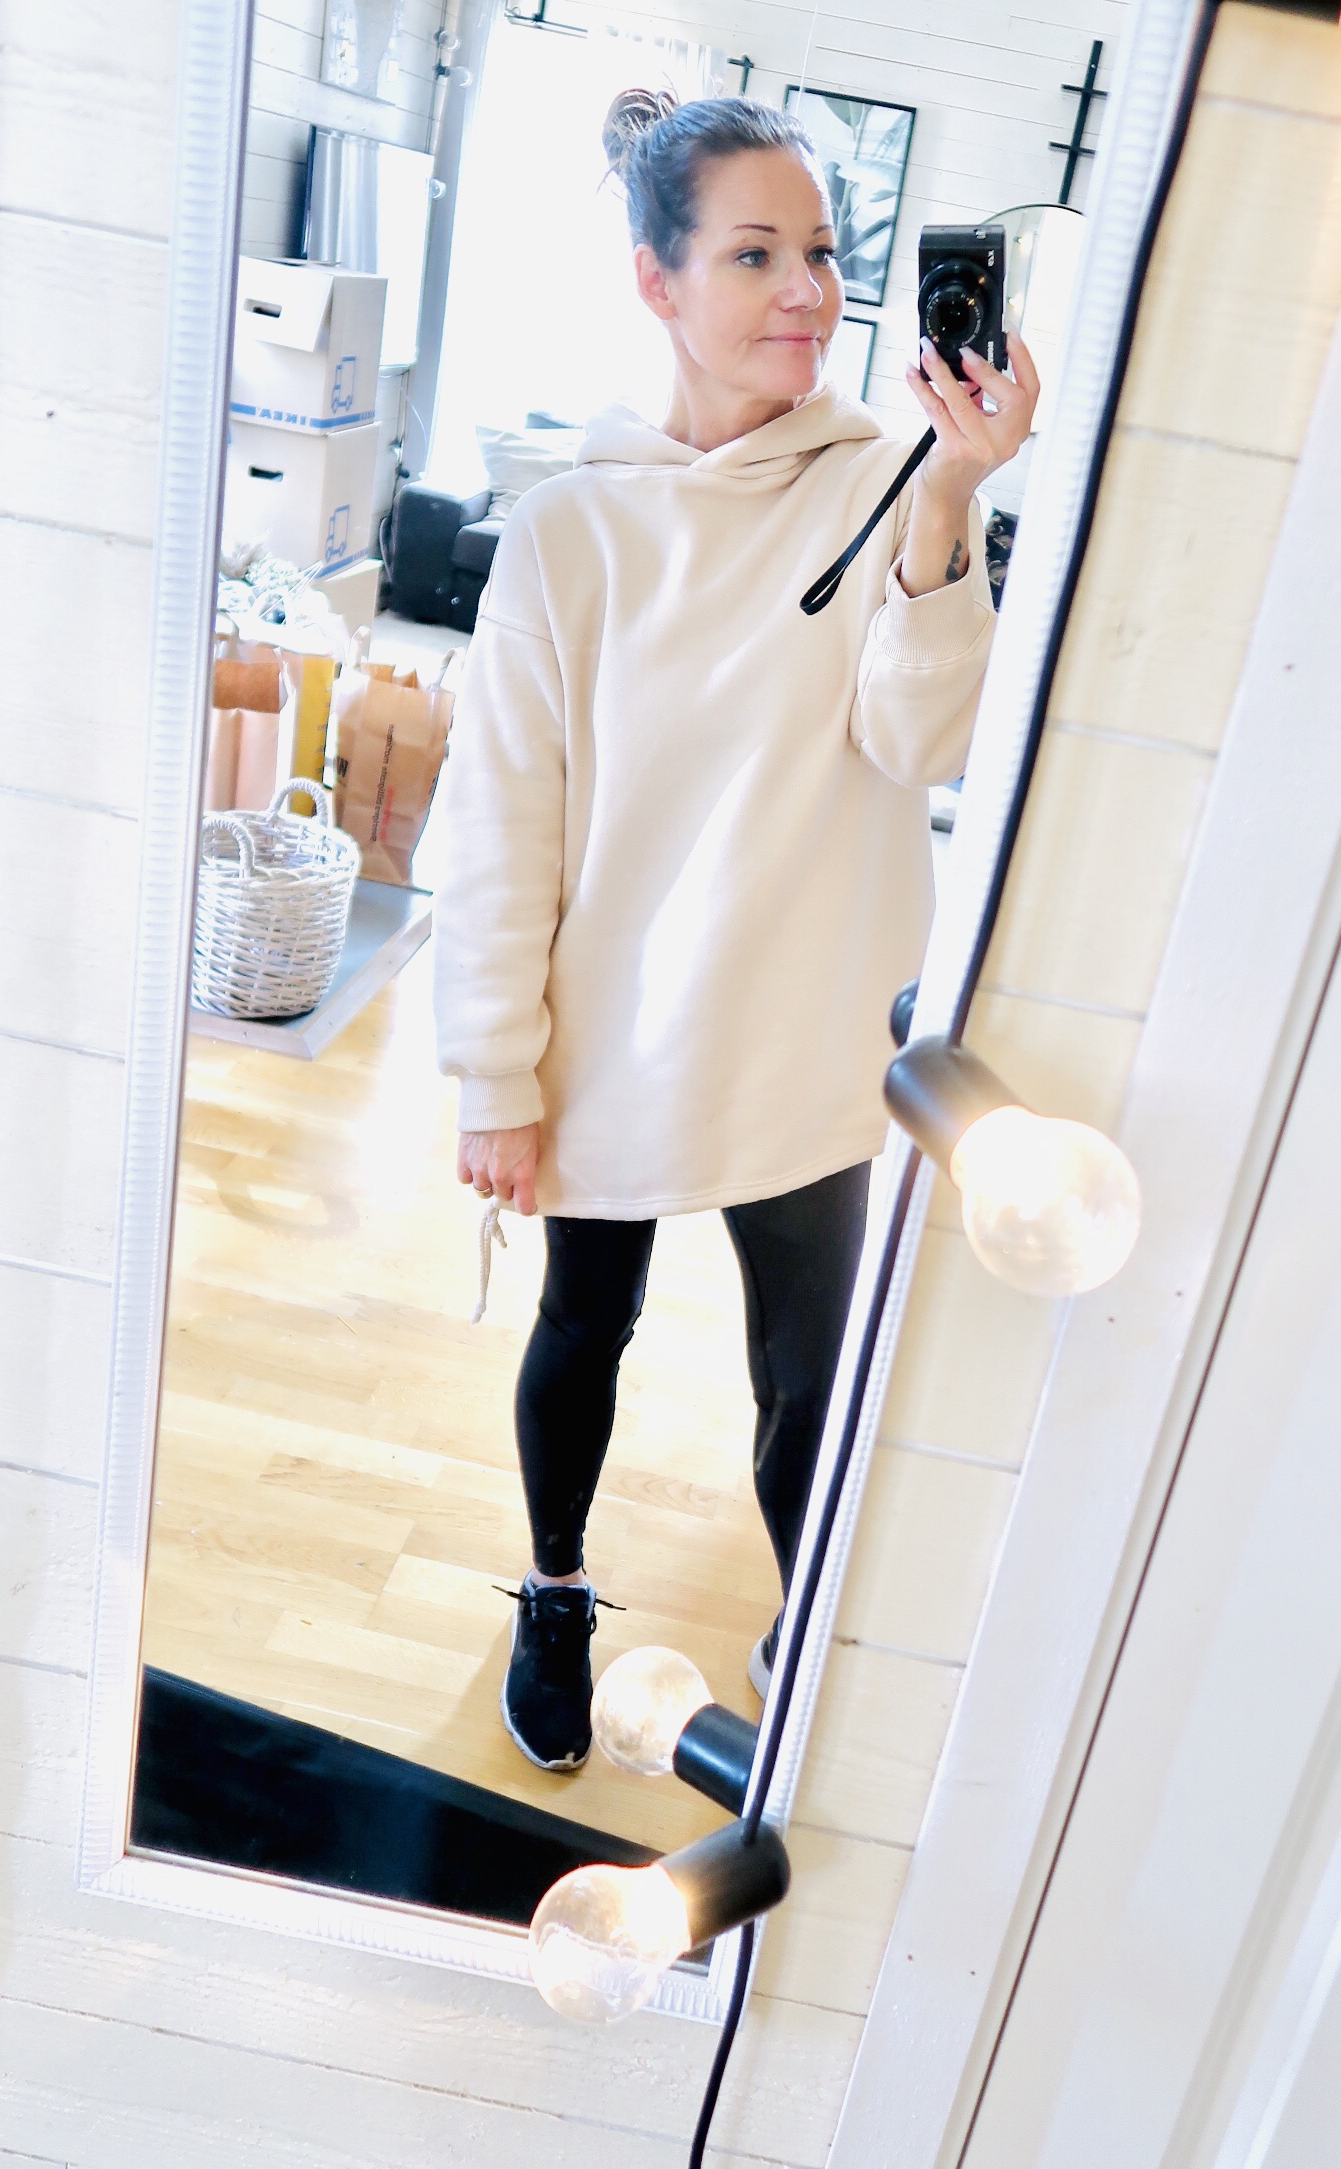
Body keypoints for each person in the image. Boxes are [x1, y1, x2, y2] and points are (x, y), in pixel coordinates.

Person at [433, 89, 1038, 1772]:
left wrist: (950, 499)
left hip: (811, 1031)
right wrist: (494, 1072)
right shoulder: (569, 529)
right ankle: (557, 1588)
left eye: (824, 253)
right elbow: (502, 823)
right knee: (583, 1328)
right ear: (658, 281)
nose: (807, 292)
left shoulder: (891, 475)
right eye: (757, 254)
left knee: (809, 1379)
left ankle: (813, 1619)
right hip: (610, 1029)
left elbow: (922, 744)